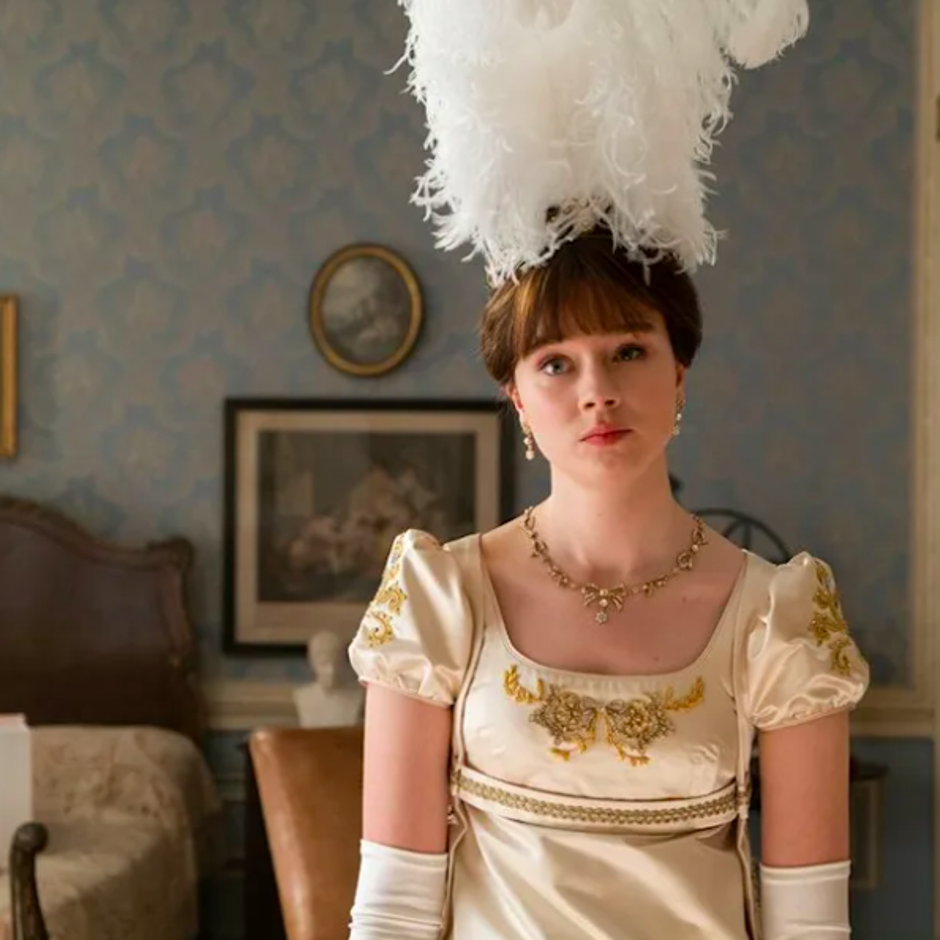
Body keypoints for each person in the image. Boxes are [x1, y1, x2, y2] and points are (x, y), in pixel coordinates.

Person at [345, 229, 870, 939]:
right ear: (518, 398)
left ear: (678, 372)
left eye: (627, 351)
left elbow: (810, 925)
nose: (597, 392)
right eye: (556, 363)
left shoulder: (777, 614)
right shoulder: (443, 597)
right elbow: (393, 911)